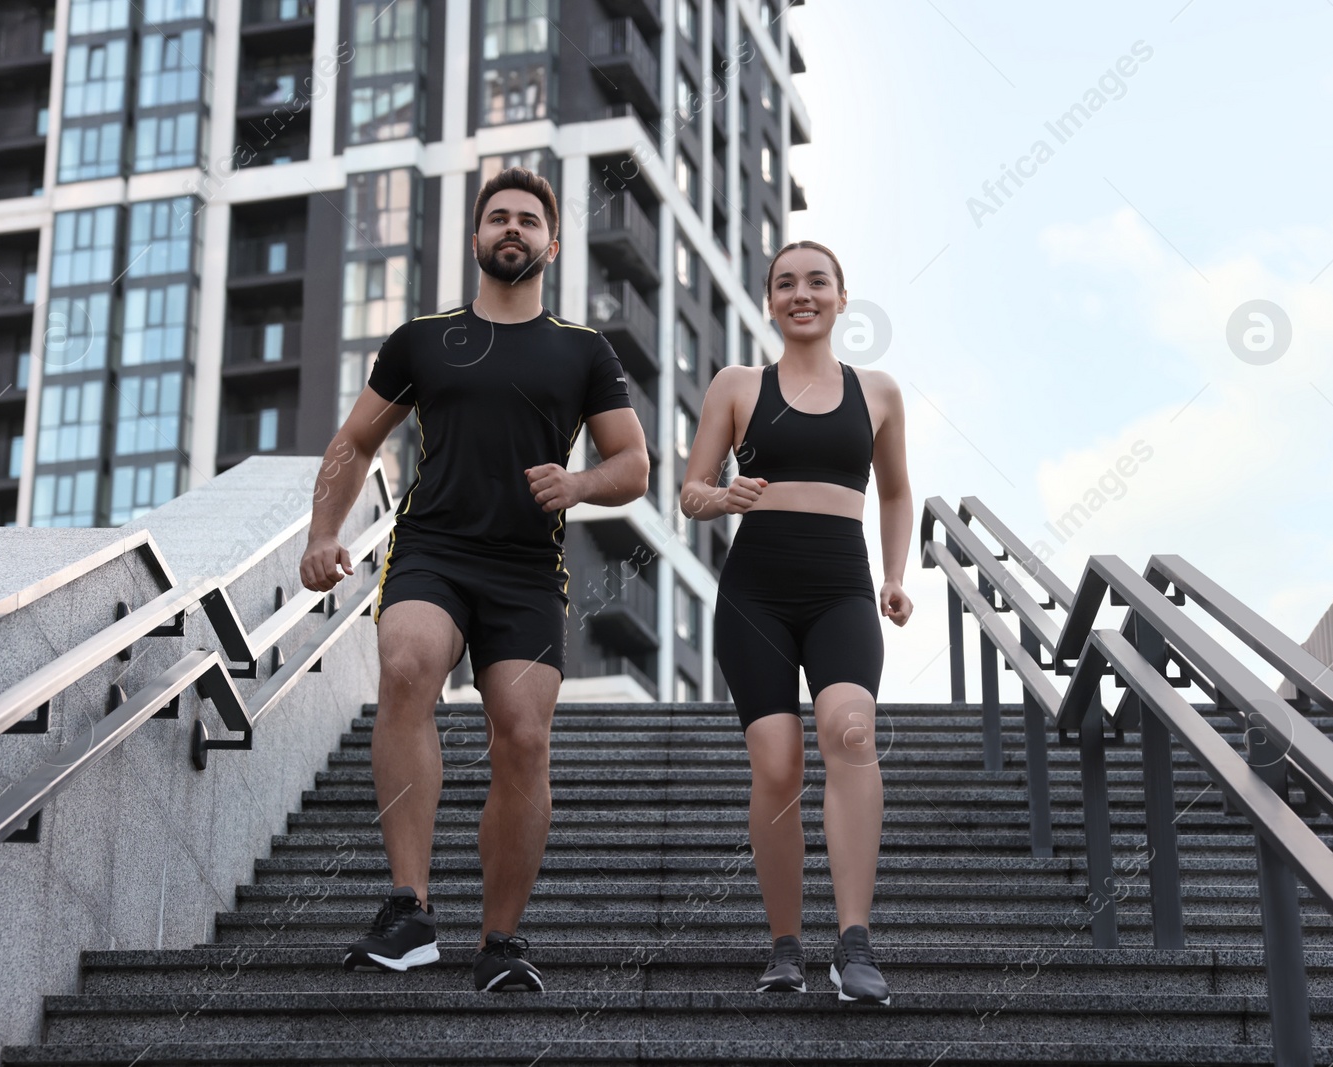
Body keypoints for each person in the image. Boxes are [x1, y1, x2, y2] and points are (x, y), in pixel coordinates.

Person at [300, 167, 649, 992]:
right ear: (477, 238)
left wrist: (580, 484)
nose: (513, 229)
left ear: (552, 245)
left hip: (528, 568)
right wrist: (323, 531)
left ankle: (500, 938)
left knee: (524, 737)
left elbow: (633, 462)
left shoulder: (582, 350)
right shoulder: (423, 339)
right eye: (499, 218)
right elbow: (354, 442)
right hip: (434, 548)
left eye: (529, 220)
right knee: (409, 664)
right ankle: (410, 909)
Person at [679, 240, 913, 1006]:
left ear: (842, 297)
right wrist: (722, 497)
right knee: (777, 763)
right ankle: (786, 944)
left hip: (842, 589)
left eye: (818, 281)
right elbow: (689, 490)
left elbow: (895, 493)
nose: (801, 293)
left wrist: (895, 576)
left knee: (851, 729)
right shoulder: (737, 385)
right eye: (786, 283)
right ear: (769, 300)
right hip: (758, 594)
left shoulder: (877, 392)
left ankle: (854, 943)